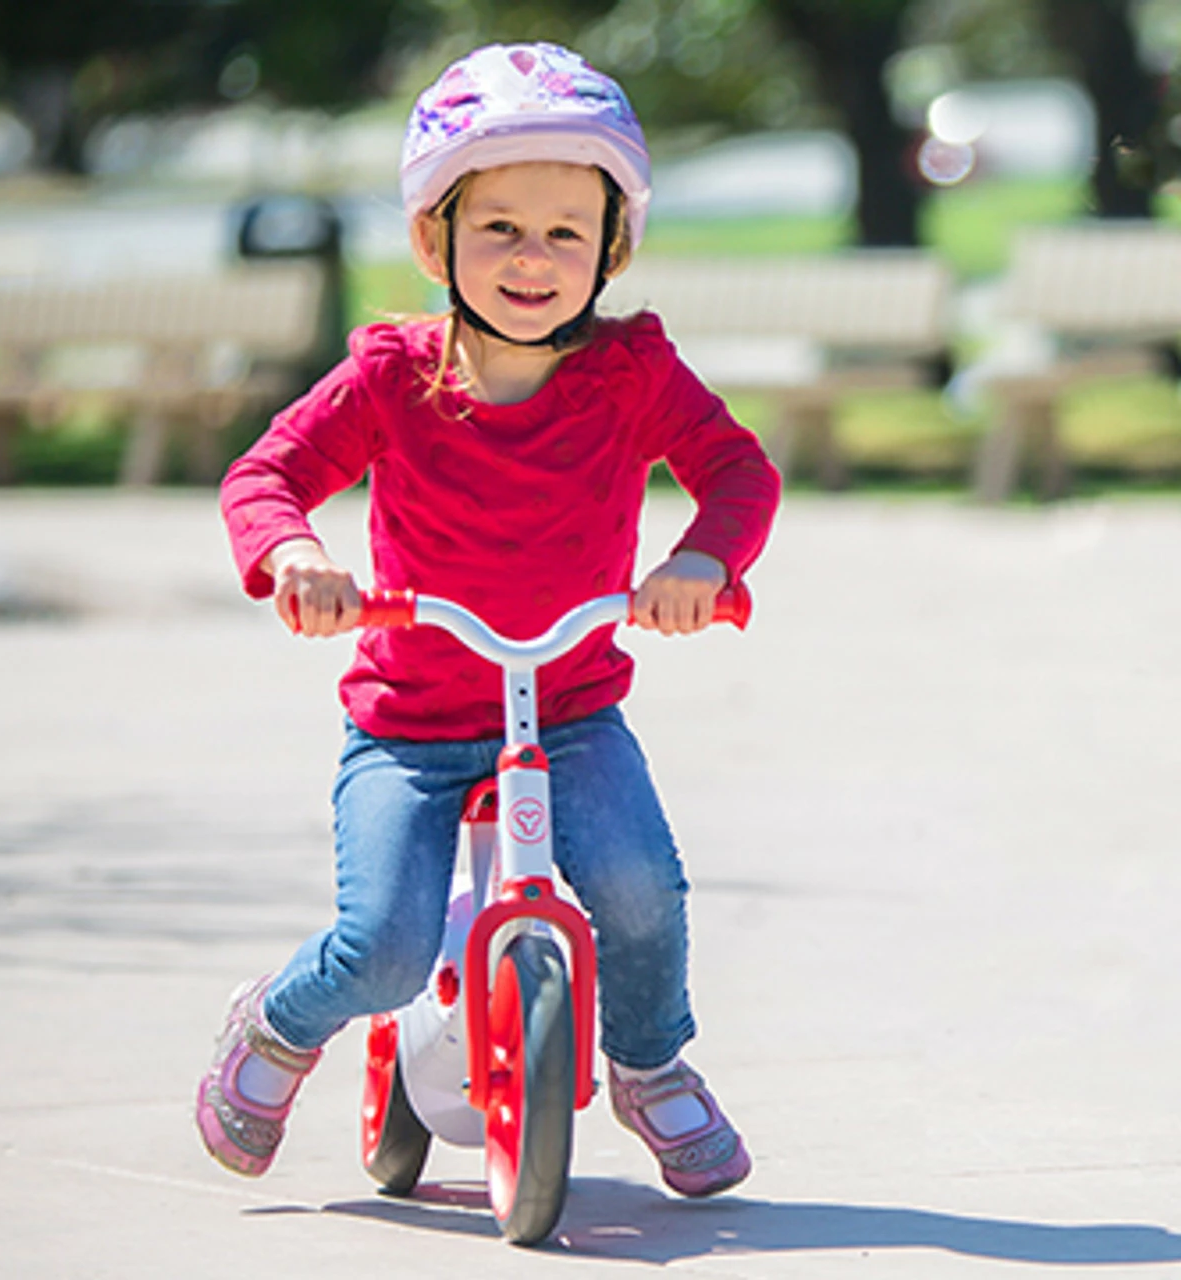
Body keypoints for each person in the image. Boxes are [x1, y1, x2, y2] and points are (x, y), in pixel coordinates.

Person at [197, 40, 781, 1199]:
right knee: (387, 945)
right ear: (435, 241)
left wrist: (700, 557)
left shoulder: (631, 374)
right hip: (410, 725)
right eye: (499, 226)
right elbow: (264, 476)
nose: (532, 257)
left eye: (566, 231)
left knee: (636, 885)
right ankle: (274, 1024)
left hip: (565, 708)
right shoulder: (388, 379)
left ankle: (651, 1061)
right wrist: (300, 555)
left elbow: (734, 468)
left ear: (610, 249)